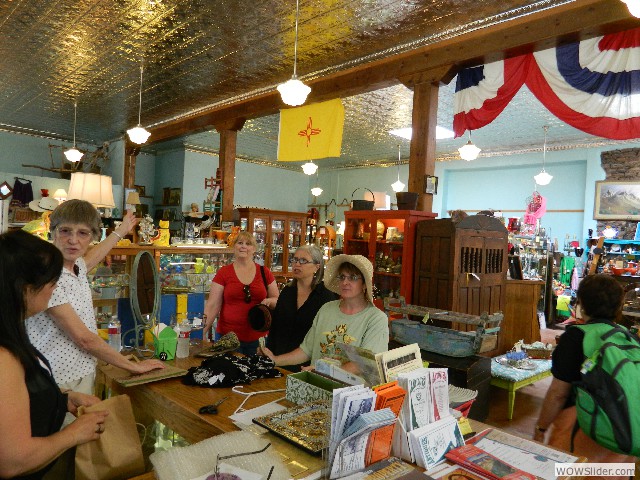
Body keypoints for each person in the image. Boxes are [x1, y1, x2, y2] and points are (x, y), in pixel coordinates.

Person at [26, 200, 165, 398]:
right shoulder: (47, 276)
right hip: (58, 380)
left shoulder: (74, 266)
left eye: (83, 233)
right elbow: (84, 339)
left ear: (92, 236)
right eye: (65, 231)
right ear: (53, 231)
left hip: (79, 372)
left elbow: (92, 258)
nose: (73, 240)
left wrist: (121, 230)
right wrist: (133, 366)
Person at [0, 230, 108, 480]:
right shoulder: (4, 357)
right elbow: (13, 461)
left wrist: (62, 400)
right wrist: (74, 433)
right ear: (26, 289)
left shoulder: (13, 334)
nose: (55, 288)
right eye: (51, 281)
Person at [533, 274, 636, 470]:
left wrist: (541, 427)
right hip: (623, 433)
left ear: (582, 304)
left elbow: (558, 394)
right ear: (618, 306)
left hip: (585, 431)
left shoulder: (575, 336)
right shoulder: (627, 336)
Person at [260, 254, 389, 371]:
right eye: (342, 276)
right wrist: (275, 360)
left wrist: (323, 372)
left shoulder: (376, 319)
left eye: (353, 277)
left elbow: (364, 364)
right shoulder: (327, 309)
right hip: (318, 388)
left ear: (365, 284)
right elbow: (306, 350)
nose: (345, 282)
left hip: (350, 395)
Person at [203, 231, 279, 355]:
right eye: (240, 243)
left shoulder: (265, 272)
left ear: (254, 249)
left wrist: (270, 301)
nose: (243, 246)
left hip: (258, 339)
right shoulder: (224, 273)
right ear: (234, 247)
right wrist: (202, 332)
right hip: (228, 338)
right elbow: (212, 305)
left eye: (248, 244)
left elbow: (277, 299)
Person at [266, 244, 338, 371]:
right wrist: (269, 355)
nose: (297, 264)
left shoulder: (325, 296)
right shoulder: (287, 291)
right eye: (295, 259)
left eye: (303, 261)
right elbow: (275, 328)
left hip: (307, 366)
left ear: (317, 267)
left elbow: (328, 337)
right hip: (279, 361)